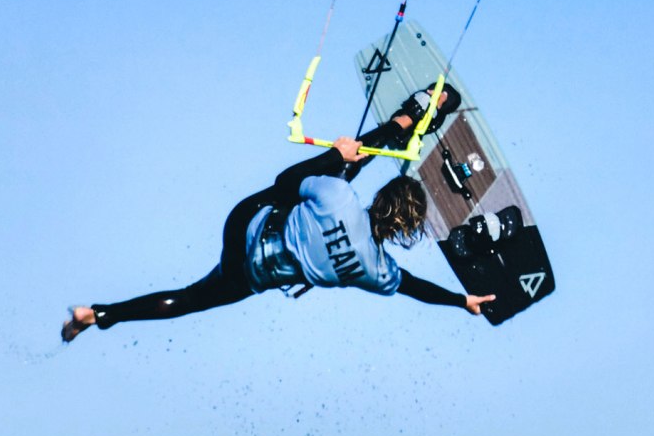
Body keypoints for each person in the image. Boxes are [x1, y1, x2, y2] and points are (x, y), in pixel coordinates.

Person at [61, 84, 495, 342]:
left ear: (381, 199)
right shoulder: (376, 271)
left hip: (245, 223)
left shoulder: (342, 199)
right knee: (191, 300)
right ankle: (102, 315)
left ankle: (405, 121)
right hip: (251, 275)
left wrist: (335, 158)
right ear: (409, 231)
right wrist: (462, 301)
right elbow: (413, 287)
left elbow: (286, 181)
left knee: (338, 169)